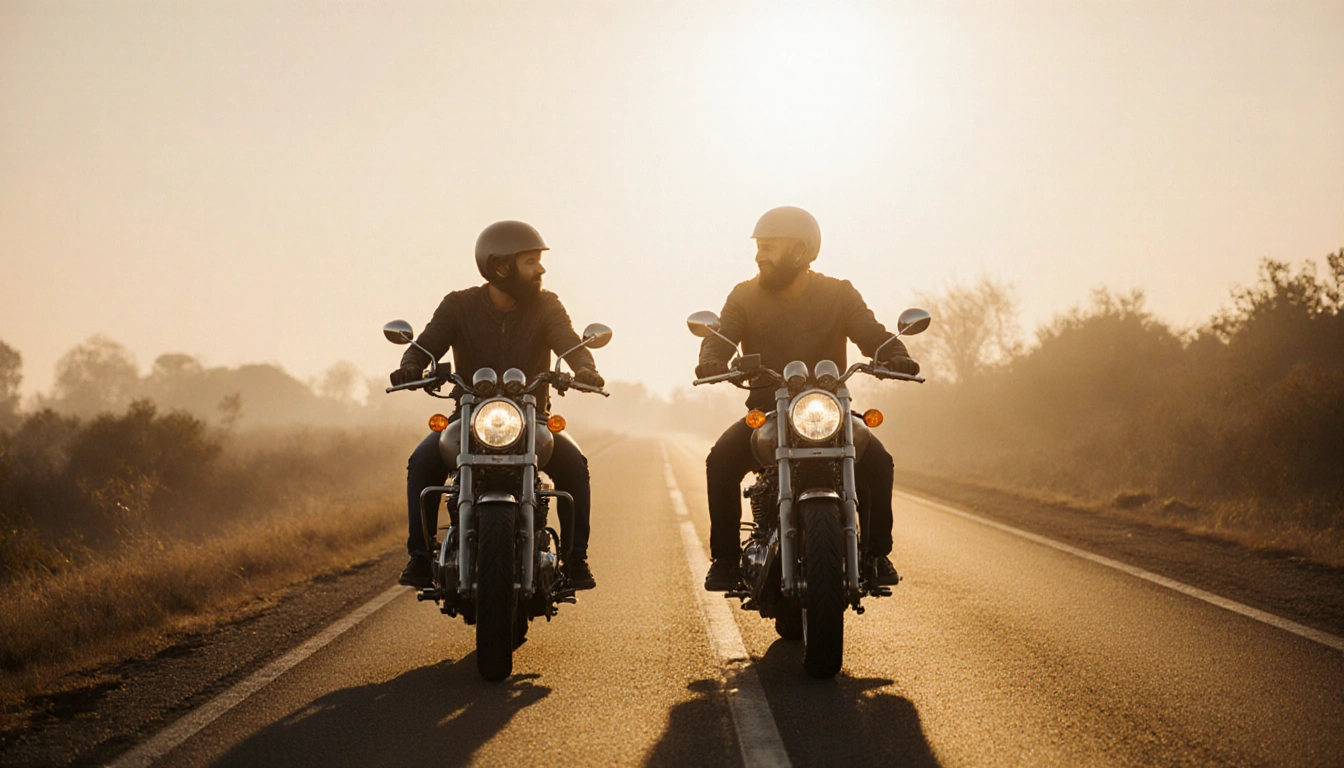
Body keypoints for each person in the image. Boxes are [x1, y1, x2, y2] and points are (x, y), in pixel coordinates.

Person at [695, 206, 921, 591]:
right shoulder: (744, 295)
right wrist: (711, 360)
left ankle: (875, 554)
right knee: (720, 461)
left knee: (879, 462)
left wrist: (895, 354)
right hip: (768, 412)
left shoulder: (838, 293)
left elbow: (871, 333)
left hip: (831, 411)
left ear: (800, 250)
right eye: (759, 247)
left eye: (769, 247)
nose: (759, 256)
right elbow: (722, 337)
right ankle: (726, 560)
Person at [391, 220, 605, 591]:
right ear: (501, 267)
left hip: (533, 420)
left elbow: (569, 342)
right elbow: (426, 344)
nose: (540, 269)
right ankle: (420, 556)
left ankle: (576, 559)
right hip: (468, 418)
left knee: (574, 465)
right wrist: (411, 365)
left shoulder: (547, 306)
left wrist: (585, 368)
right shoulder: (459, 306)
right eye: (530, 262)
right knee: (422, 461)